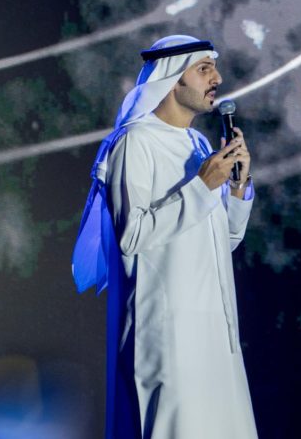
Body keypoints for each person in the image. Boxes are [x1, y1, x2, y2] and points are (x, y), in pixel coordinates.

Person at [72, 35, 257, 438]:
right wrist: (203, 186)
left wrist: (237, 189)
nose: (217, 79)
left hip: (214, 335)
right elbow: (131, 235)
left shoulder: (199, 145)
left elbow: (220, 240)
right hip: (166, 336)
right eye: (204, 69)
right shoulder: (134, 142)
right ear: (173, 79)